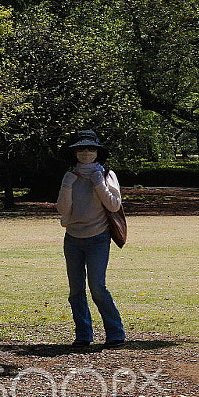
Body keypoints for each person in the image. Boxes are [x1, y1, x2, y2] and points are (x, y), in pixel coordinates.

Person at [55, 129, 126, 350]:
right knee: (76, 290)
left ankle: (115, 333)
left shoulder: (106, 175)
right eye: (81, 149)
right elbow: (62, 209)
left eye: (91, 148)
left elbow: (114, 205)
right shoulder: (70, 176)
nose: (86, 153)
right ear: (74, 153)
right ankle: (83, 334)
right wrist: (67, 185)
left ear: (98, 152)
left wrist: (98, 184)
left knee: (97, 286)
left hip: (98, 237)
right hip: (73, 239)